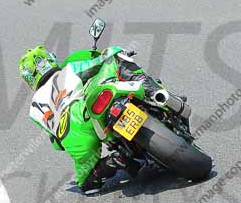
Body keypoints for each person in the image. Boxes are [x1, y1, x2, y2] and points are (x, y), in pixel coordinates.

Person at [18, 45, 163, 194]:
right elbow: (98, 63)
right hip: (86, 115)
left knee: (85, 184)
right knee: (115, 60)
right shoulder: (68, 70)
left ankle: (115, 160)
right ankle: (153, 92)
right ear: (48, 59)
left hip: (76, 143)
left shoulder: (34, 109)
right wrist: (115, 53)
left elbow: (57, 144)